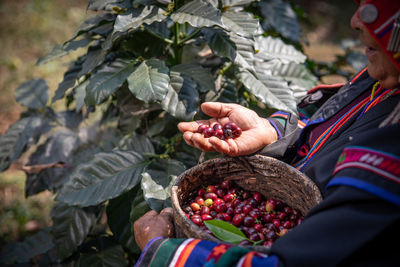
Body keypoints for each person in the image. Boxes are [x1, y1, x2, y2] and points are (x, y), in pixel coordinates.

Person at [133, 0, 400, 266]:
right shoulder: (381, 78)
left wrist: (162, 253)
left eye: (375, 9)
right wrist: (272, 132)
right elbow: (327, 124)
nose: (355, 21)